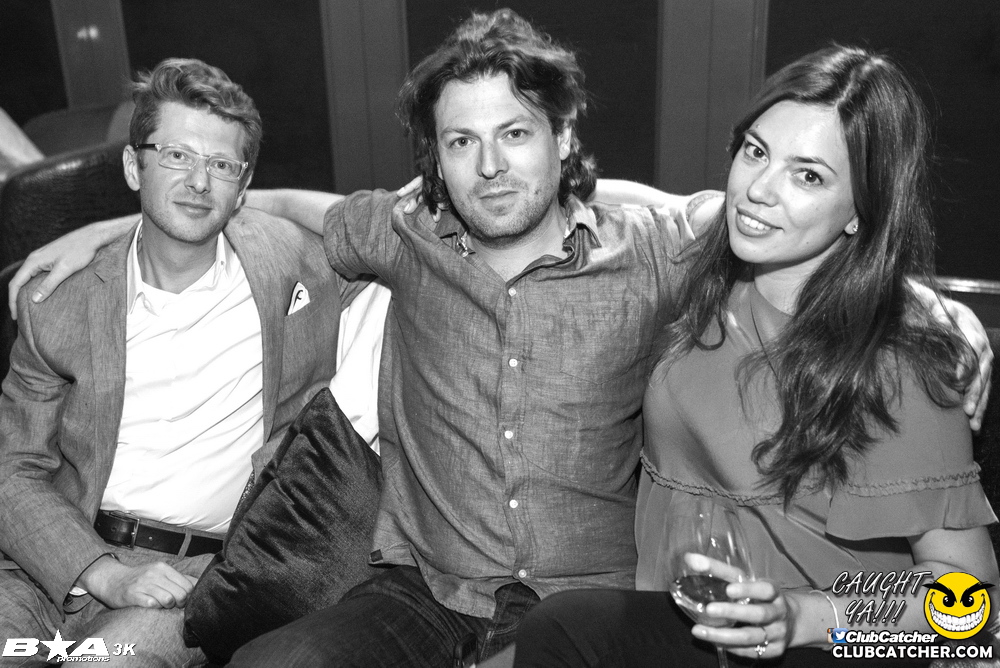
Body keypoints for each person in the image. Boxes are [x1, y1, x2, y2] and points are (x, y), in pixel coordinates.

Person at [7, 13, 992, 667]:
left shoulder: (669, 254)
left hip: (602, 606)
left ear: (564, 137)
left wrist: (913, 299)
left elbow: (973, 615)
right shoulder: (410, 236)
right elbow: (289, 205)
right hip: (436, 589)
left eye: (516, 133)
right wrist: (114, 220)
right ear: (432, 163)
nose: (488, 166)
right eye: (460, 141)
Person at [510, 45, 999, 668]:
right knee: (559, 632)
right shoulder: (708, 264)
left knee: (566, 631)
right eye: (756, 151)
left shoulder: (899, 362)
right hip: (694, 619)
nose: (758, 191)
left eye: (808, 176)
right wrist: (482, 183)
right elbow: (630, 201)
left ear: (863, 208)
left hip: (827, 642)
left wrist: (804, 618)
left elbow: (974, 608)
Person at [0, 58, 344, 666]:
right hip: (49, 561)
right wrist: (100, 571)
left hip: (188, 579)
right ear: (134, 167)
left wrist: (269, 200)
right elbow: (13, 469)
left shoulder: (297, 267)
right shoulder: (59, 301)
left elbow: (397, 226)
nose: (199, 182)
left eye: (222, 165)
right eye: (177, 156)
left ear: (243, 185)